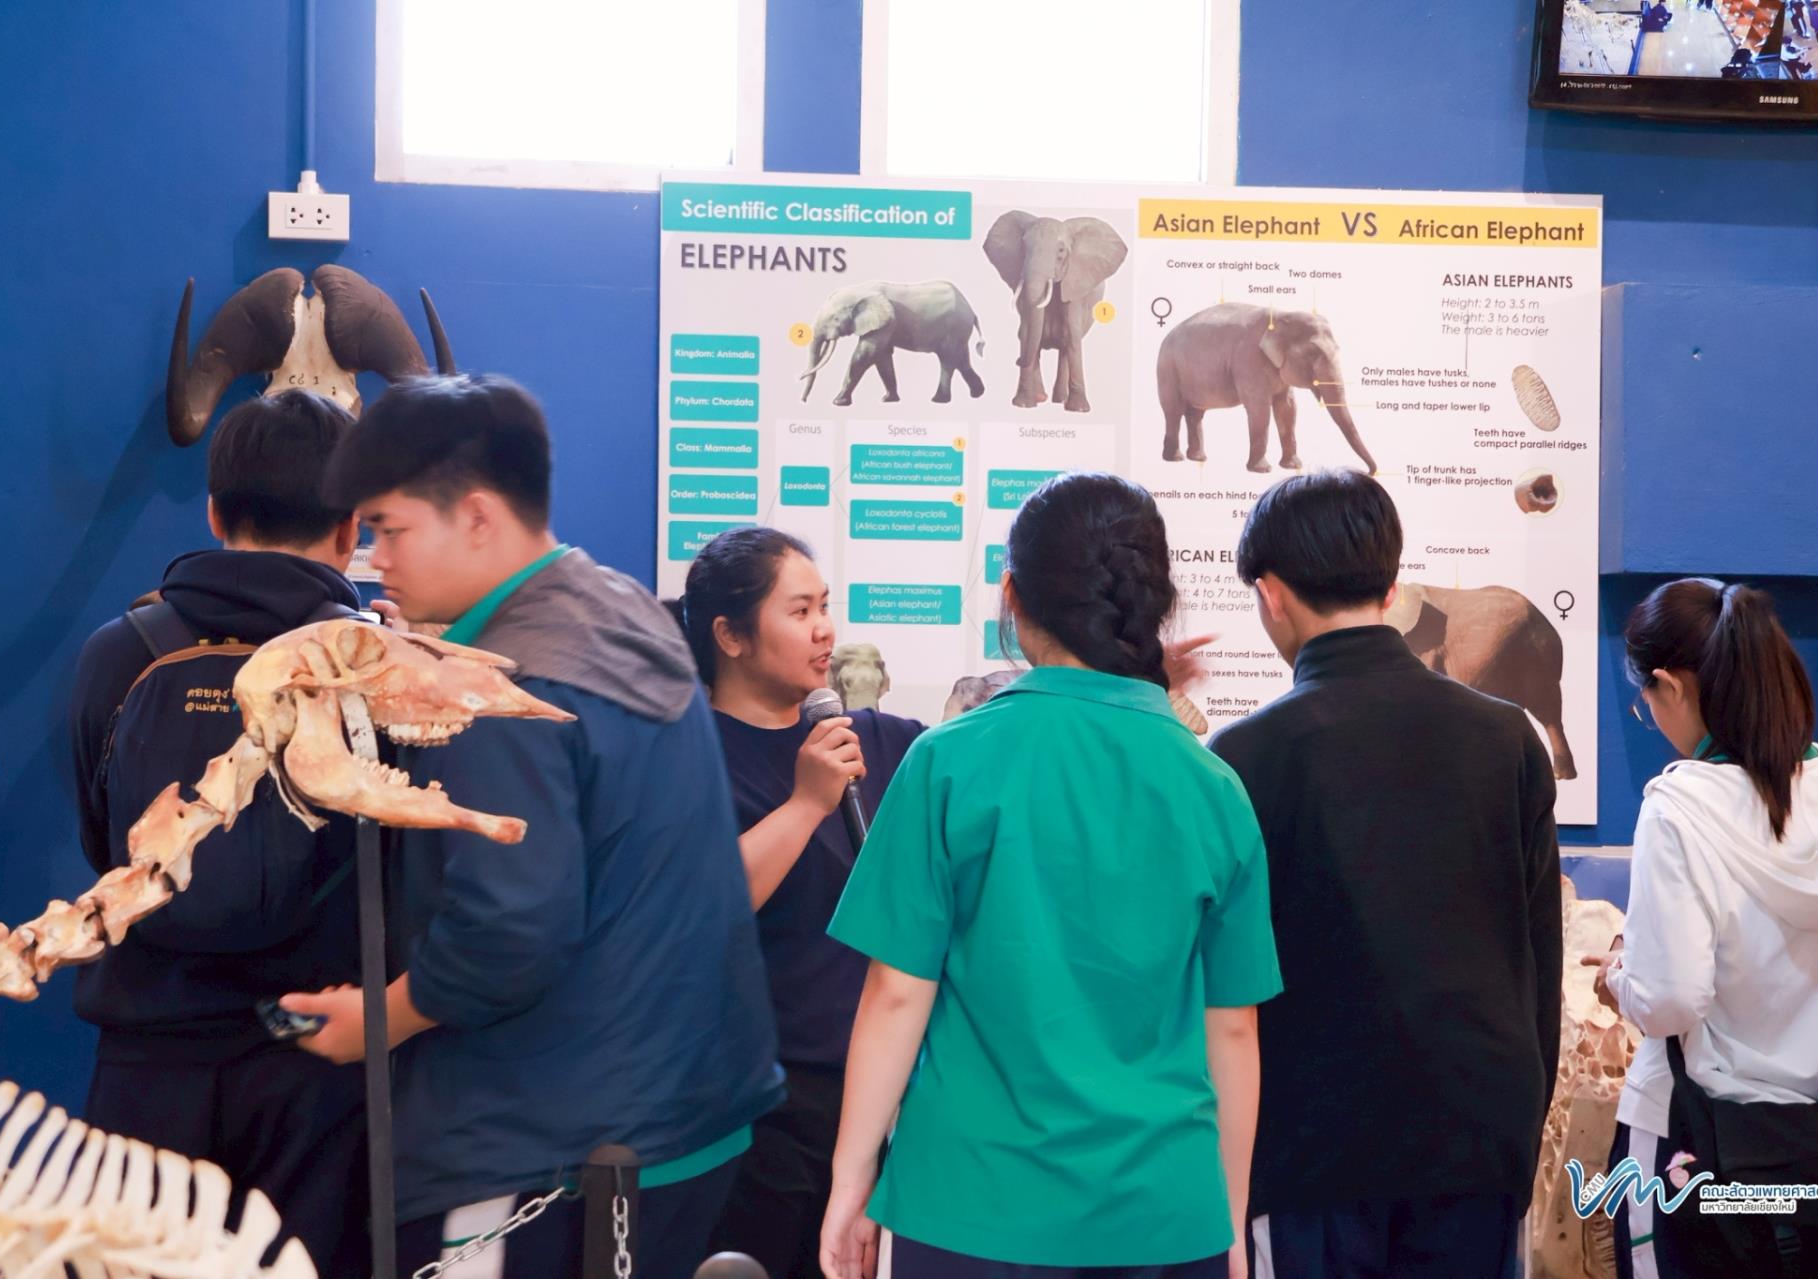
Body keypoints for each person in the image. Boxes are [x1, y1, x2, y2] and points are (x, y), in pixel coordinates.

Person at [288, 374, 784, 1279]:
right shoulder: (620, 606)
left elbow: (510, 929)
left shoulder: (503, 682)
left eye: (392, 529)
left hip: (555, 1149)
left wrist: (378, 1020)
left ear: (478, 516)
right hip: (681, 1116)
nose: (375, 559)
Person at [820, 471, 1280, 1279]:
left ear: (1012, 597)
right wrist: (1230, 1218)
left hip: (971, 1203)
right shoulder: (1213, 787)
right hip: (1163, 1210)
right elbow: (1233, 1028)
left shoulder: (945, 761)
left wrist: (852, 1179)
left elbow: (896, 992)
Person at [1209, 470, 1561, 1279]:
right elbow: (1540, 965)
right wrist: (1516, 1134)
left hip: (1311, 1157)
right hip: (1478, 1143)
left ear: (1270, 594)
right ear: (1392, 584)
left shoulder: (1244, 757)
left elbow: (1230, 997)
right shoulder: (1509, 739)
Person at [66, 390, 370, 1275]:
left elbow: (103, 839)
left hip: (144, 1052)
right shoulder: (371, 668)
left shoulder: (120, 650)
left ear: (213, 512)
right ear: (350, 528)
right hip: (313, 1058)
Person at [1586, 579, 1818, 1279]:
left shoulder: (1678, 808)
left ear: (1670, 684)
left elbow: (1670, 1000)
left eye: (1644, 701)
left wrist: (1618, 976)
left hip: (1699, 1149)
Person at [674, 527, 926, 1278]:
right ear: (730, 636)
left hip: (880, 1102)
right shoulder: (685, 754)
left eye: (825, 606)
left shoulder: (876, 739)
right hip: (755, 1113)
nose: (824, 630)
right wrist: (806, 803)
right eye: (799, 610)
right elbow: (700, 911)